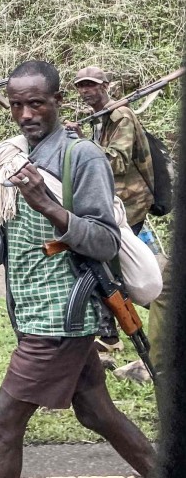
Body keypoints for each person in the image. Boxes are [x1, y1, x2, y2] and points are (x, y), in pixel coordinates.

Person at [0, 60, 156, 478]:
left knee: (3, 421)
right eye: (16, 105)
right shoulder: (15, 156)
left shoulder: (81, 157)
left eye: (37, 104)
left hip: (62, 316)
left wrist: (47, 204)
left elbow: (103, 239)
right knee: (96, 411)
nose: (26, 115)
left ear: (58, 102)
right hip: (33, 312)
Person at [67, 67, 155, 354]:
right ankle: (111, 332)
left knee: (107, 266)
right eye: (81, 86)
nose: (85, 91)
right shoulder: (102, 117)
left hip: (129, 202)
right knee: (104, 266)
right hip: (114, 201)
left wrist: (83, 145)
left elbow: (116, 161)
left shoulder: (120, 115)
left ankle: (117, 329)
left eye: (91, 85)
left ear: (106, 86)